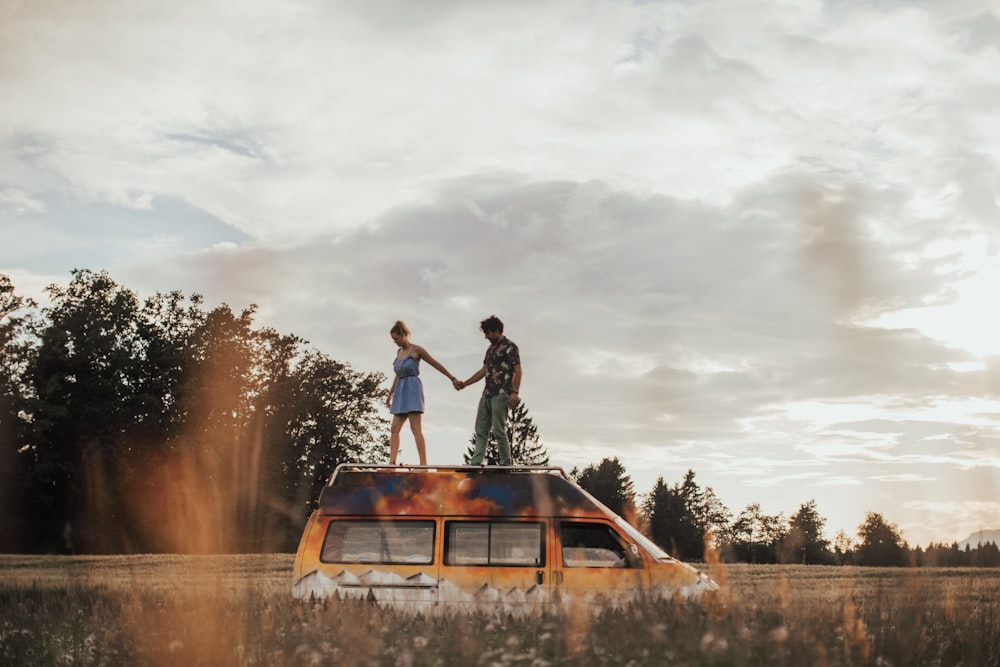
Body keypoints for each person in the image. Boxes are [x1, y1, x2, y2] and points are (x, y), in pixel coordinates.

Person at [387, 320, 458, 465]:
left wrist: (452, 378)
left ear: (404, 335)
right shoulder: (399, 352)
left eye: (396, 338)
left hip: (412, 389)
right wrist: (390, 393)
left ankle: (423, 464)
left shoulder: (416, 350)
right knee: (394, 428)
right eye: (393, 339)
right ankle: (392, 463)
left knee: (415, 428)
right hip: (400, 390)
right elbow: (398, 374)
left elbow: (435, 363)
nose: (395, 342)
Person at [454, 315, 521, 466]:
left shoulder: (510, 347)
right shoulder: (490, 350)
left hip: (502, 392)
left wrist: (514, 392)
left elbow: (518, 370)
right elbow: (484, 370)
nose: (486, 337)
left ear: (497, 330)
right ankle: (475, 463)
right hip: (487, 393)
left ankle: (506, 464)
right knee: (481, 430)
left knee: (499, 429)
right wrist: (465, 384)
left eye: (488, 333)